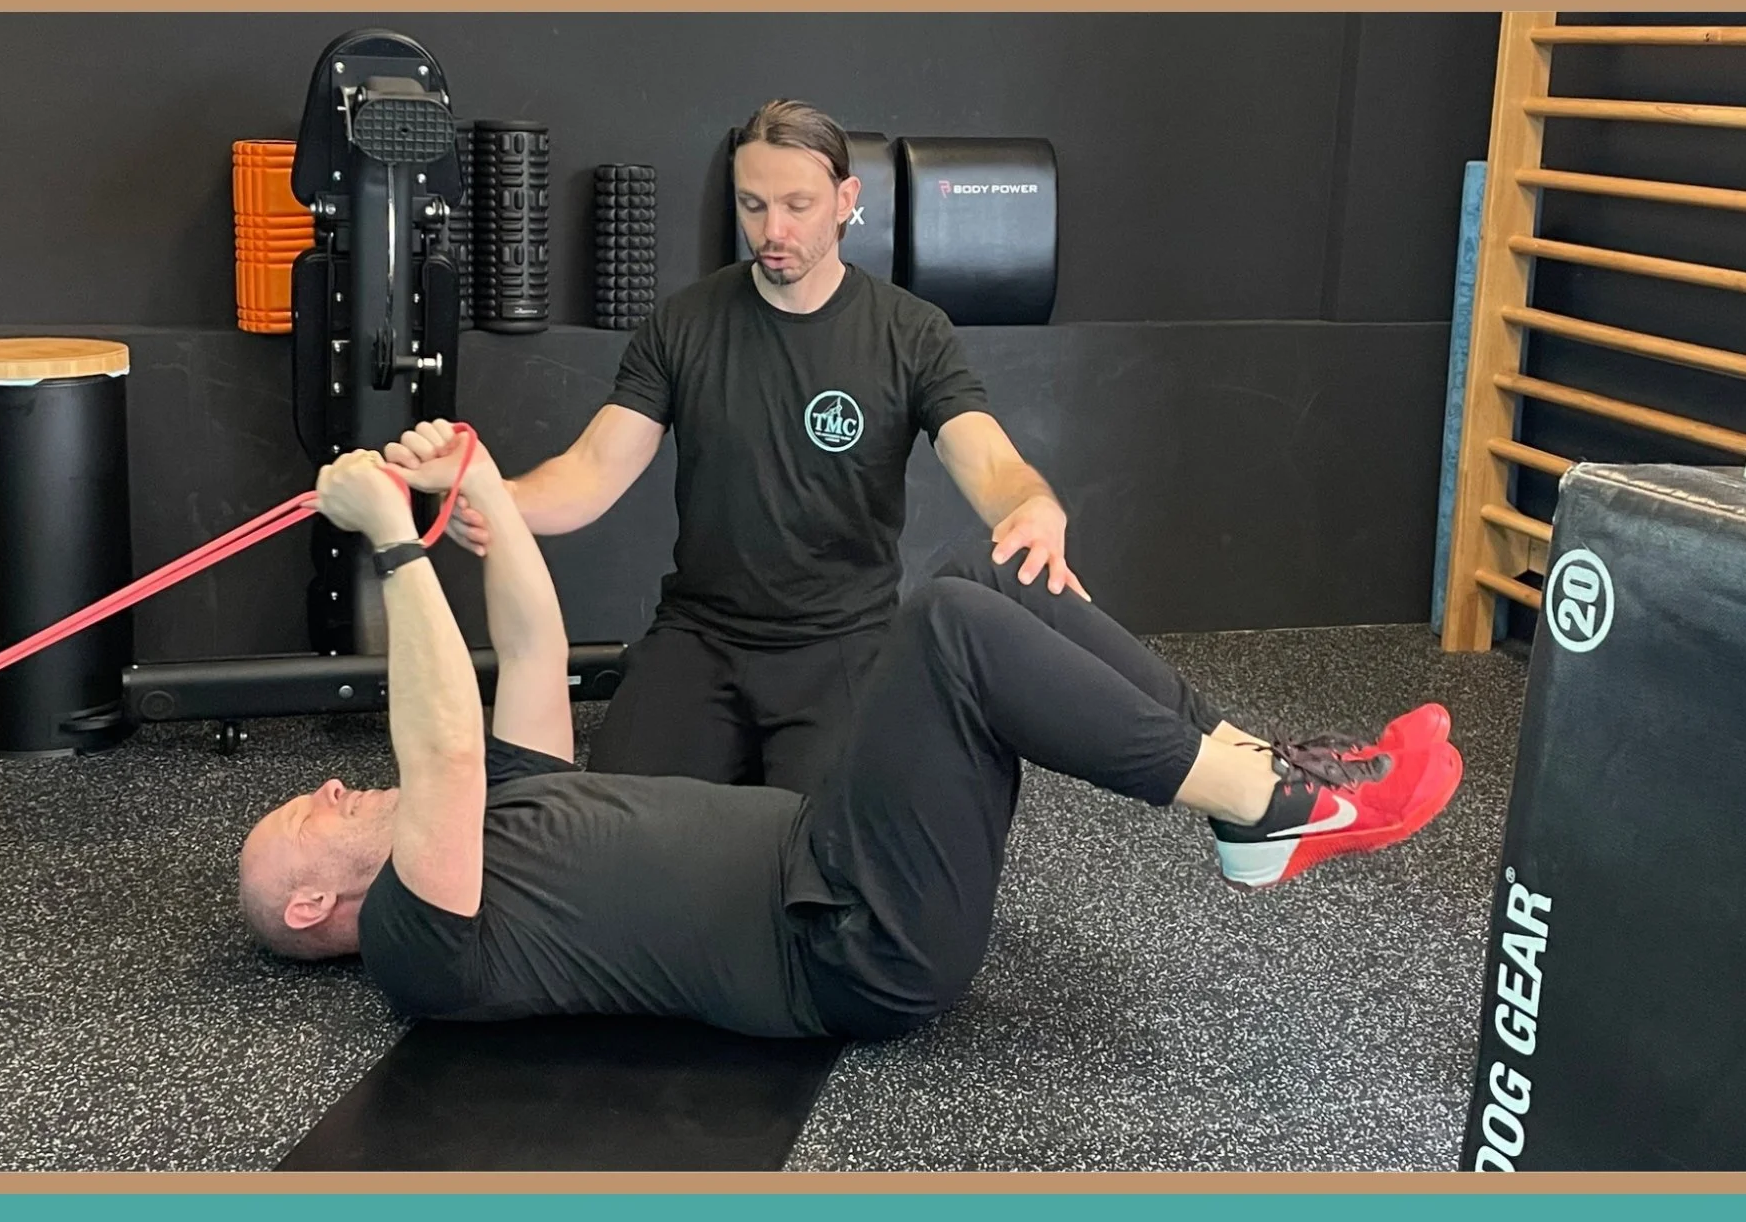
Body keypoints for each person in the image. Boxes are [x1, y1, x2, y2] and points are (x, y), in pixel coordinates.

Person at [237, 422, 1465, 1041]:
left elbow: (537, 648)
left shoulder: (507, 801)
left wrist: (479, 481)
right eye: (310, 813)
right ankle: (1270, 810)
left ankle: (1262, 769)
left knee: (996, 572)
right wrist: (389, 536)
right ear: (311, 908)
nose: (334, 788)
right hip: (853, 946)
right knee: (944, 627)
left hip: (839, 852)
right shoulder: (414, 943)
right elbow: (435, 747)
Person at [436, 98, 1078, 793]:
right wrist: (494, 496)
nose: (772, 231)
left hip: (843, 641)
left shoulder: (910, 332)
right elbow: (593, 469)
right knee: (620, 829)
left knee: (830, 848)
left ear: (845, 199)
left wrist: (1031, 507)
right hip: (702, 634)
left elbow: (986, 458)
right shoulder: (684, 324)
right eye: (752, 205)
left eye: (798, 205)